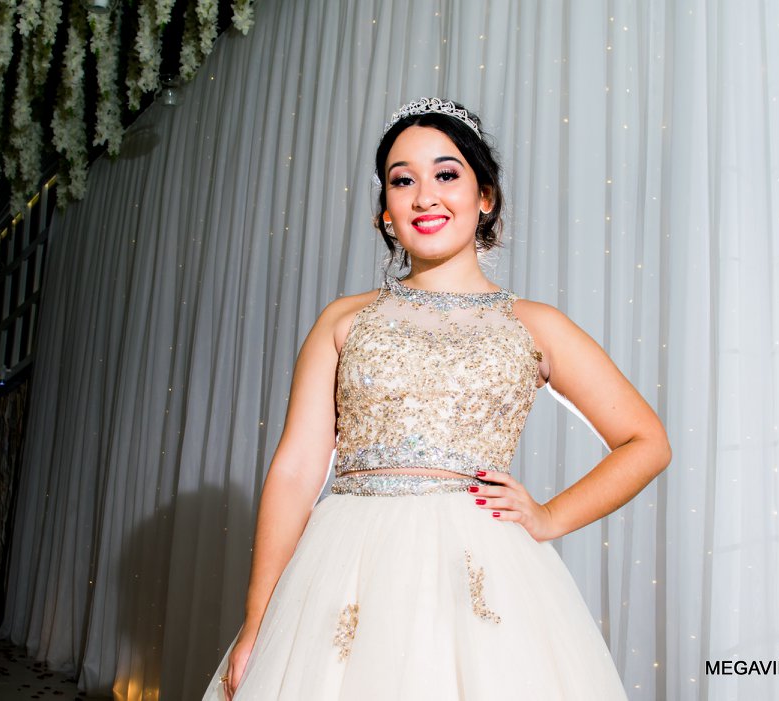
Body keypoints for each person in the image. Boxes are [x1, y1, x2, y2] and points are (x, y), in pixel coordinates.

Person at [202, 97, 671, 700]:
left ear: (485, 196)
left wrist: (551, 517)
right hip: (345, 568)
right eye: (403, 181)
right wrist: (258, 622)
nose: (425, 197)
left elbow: (647, 442)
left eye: (446, 174)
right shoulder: (345, 320)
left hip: (478, 572)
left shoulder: (535, 325)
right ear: (386, 210)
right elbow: (295, 472)